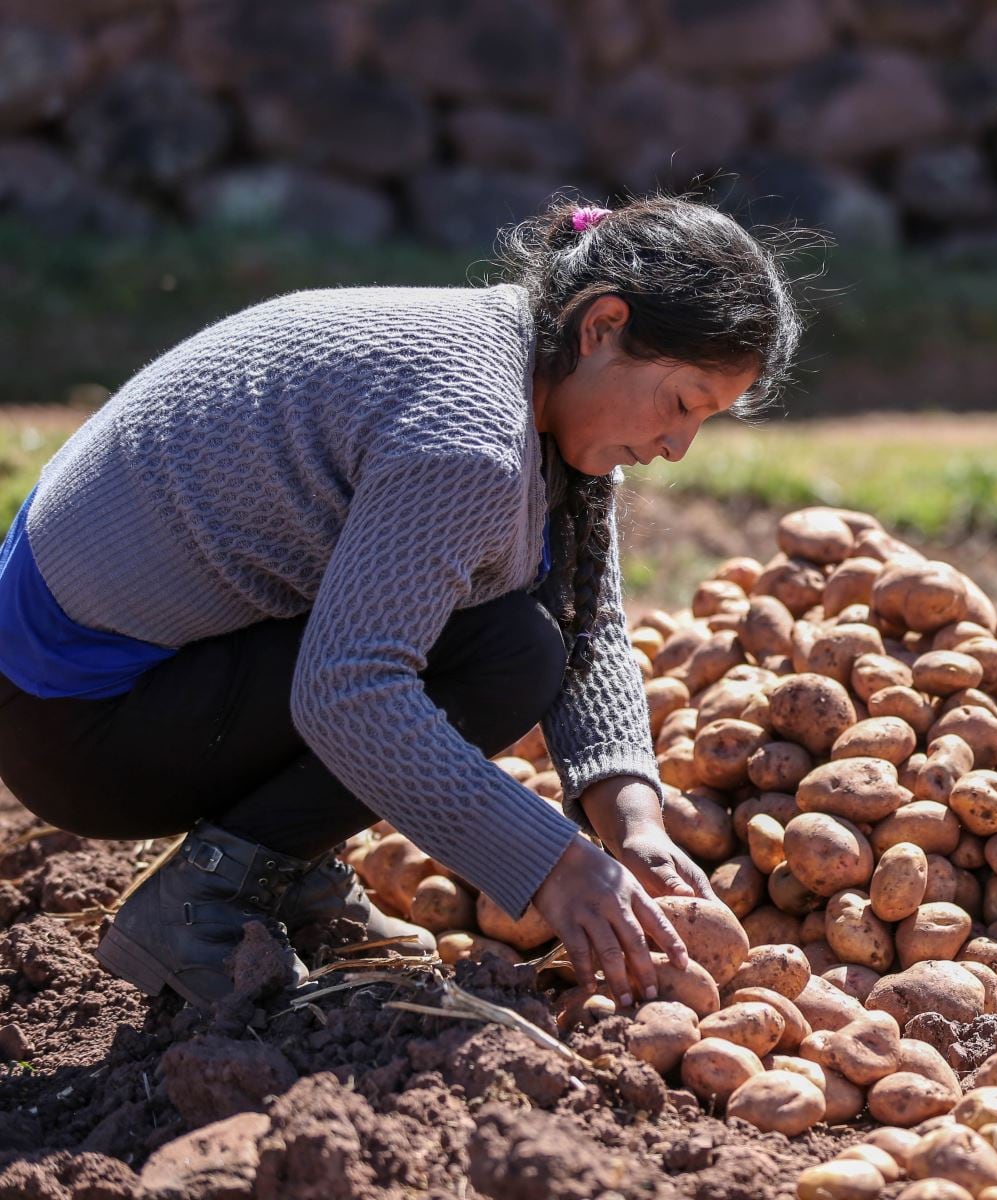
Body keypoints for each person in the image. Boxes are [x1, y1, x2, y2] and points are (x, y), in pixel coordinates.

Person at [0, 193, 805, 1010]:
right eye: (681, 403)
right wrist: (556, 866)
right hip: (73, 721)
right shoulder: (468, 438)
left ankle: (278, 870)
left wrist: (632, 819)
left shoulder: (530, 363)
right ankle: (209, 898)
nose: (678, 447)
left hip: (124, 676)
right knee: (504, 659)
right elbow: (349, 691)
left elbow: (582, 615)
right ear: (602, 325)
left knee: (522, 641)